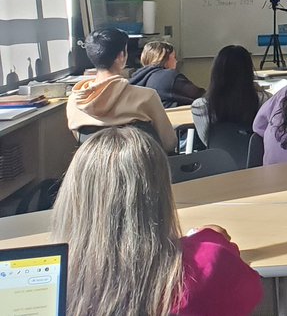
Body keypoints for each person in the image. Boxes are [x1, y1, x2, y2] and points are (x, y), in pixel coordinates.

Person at [51, 126, 262, 316]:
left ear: (73, 197)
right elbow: (250, 290)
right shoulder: (208, 264)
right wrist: (209, 240)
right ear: (160, 192)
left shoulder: (55, 284)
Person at [68, 27, 176, 152]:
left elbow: (83, 142)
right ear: (121, 56)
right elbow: (169, 143)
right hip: (141, 168)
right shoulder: (146, 96)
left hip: (95, 169)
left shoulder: (75, 101)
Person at [191, 45, 269, 145]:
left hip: (218, 159)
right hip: (256, 158)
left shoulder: (200, 106)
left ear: (215, 72)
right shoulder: (265, 100)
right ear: (249, 71)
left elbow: (207, 142)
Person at [129, 40, 205, 108]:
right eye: (174, 57)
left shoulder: (136, 79)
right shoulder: (169, 76)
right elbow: (200, 95)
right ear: (164, 58)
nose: (176, 61)